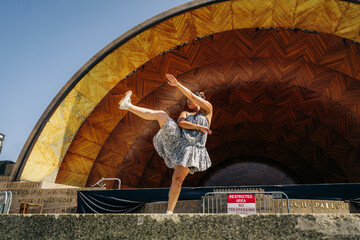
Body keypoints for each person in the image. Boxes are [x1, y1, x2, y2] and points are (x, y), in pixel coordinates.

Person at [118, 73, 213, 214]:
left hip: (192, 149)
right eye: (187, 101)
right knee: (161, 114)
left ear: (200, 100)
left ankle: (169, 211)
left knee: (178, 180)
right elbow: (181, 124)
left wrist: (178, 85)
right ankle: (128, 106)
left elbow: (193, 97)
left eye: (189, 100)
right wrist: (198, 127)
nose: (188, 102)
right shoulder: (186, 113)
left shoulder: (208, 111)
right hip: (179, 140)